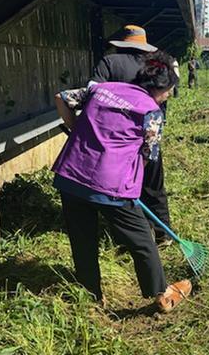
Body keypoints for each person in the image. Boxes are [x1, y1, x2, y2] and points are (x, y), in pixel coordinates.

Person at [52, 51, 191, 312]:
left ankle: (91, 296)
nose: (170, 95)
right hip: (111, 184)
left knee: (82, 240)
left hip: (71, 175)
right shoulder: (151, 111)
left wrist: (75, 130)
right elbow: (149, 154)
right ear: (160, 87)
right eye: (170, 90)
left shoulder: (101, 89)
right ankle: (160, 293)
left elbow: (62, 98)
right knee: (142, 241)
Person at [90, 25, 173, 246]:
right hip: (149, 131)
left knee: (121, 185)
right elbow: (164, 96)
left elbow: (94, 95)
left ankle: (129, 236)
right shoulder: (154, 66)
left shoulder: (109, 63)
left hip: (115, 138)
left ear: (122, 43)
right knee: (153, 184)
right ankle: (163, 233)